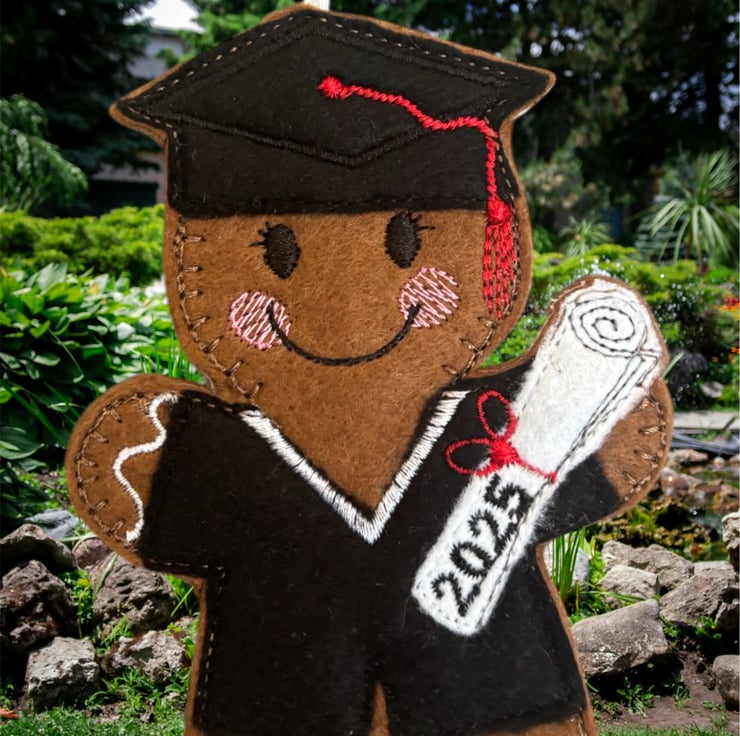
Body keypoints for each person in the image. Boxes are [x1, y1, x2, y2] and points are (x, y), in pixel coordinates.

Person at [66, 6, 672, 735]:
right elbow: (143, 477)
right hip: (283, 706)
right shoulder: (227, 453)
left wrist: (604, 396)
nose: (346, 310)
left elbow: (605, 444)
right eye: (276, 253)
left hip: (500, 705)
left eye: (406, 242)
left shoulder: (509, 422)